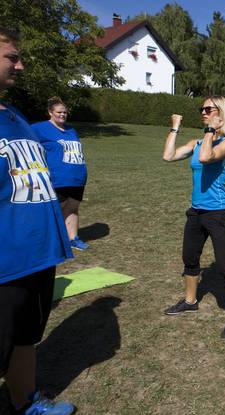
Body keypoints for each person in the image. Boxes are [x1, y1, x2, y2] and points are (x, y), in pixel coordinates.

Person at [0, 26, 75, 414]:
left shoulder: (12, 114)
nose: (21, 64)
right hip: (5, 261)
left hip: (37, 255)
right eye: (12, 57)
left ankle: (26, 403)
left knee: (27, 337)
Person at [162, 95, 225, 339]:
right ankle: (190, 301)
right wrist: (175, 128)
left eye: (209, 109)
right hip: (196, 211)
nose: (203, 112)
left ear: (221, 113)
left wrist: (210, 130)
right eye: (202, 109)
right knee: (189, 258)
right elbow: (168, 156)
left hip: (218, 213)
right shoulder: (197, 142)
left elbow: (207, 157)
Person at [31, 97, 89, 251]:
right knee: (53, 211)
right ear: (50, 112)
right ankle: (47, 242)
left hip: (77, 178)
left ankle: (73, 239)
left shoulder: (71, 130)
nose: (63, 115)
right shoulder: (39, 128)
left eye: (65, 112)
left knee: (73, 208)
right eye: (59, 112)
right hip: (57, 179)